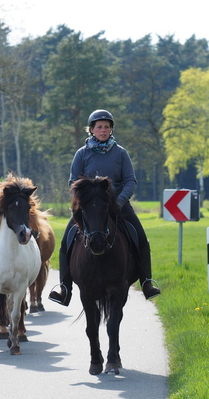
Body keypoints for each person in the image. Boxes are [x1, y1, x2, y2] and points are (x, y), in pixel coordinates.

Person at [48, 109, 161, 306]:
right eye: (99, 127)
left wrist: (117, 202)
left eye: (106, 127)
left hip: (118, 205)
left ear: (111, 130)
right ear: (91, 130)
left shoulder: (120, 153)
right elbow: (73, 182)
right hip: (89, 209)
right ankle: (64, 288)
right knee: (67, 240)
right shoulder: (82, 154)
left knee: (140, 238)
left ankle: (147, 282)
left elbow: (130, 181)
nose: (103, 130)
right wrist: (84, 203)